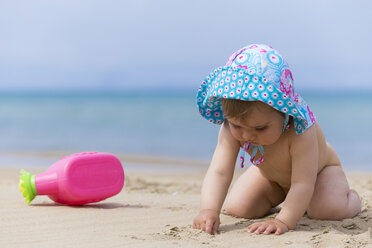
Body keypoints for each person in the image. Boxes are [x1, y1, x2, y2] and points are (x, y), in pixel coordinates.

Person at [193, 44, 361, 235]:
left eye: (260, 128)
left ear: (284, 113)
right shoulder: (231, 128)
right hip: (274, 178)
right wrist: (209, 209)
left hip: (318, 174)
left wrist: (283, 220)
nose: (247, 135)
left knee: (327, 209)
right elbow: (219, 172)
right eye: (237, 126)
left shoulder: (300, 131)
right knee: (240, 207)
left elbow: (303, 183)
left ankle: (352, 199)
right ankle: (292, 201)